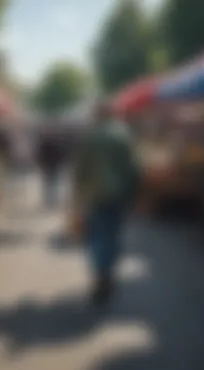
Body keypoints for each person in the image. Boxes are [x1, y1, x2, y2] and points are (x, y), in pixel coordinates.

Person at [71, 101, 141, 305]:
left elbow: (81, 168)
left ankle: (101, 273)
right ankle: (109, 270)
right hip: (120, 194)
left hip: (96, 194)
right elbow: (134, 167)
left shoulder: (91, 136)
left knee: (97, 234)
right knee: (114, 233)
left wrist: (77, 194)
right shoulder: (123, 135)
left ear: (97, 115)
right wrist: (134, 193)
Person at [36, 126, 67, 208]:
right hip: (52, 165)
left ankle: (50, 199)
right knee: (52, 183)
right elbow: (60, 154)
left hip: (50, 165)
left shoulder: (45, 144)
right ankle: (52, 199)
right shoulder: (56, 143)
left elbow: (40, 155)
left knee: (50, 183)